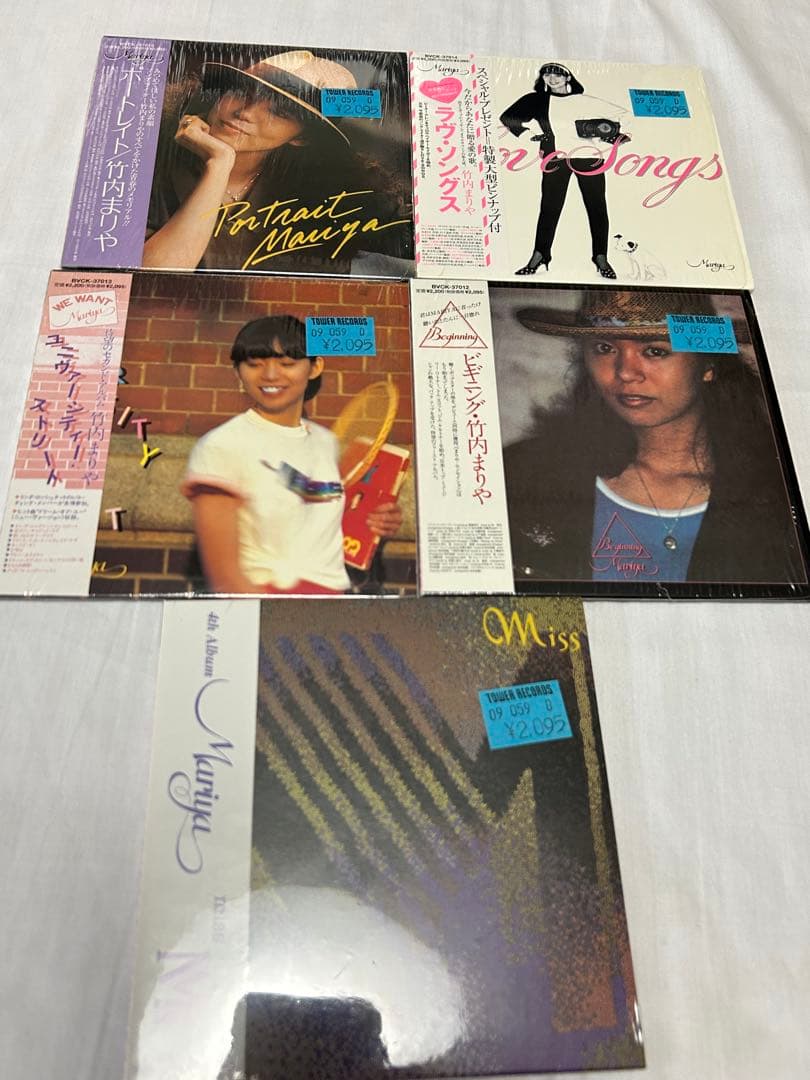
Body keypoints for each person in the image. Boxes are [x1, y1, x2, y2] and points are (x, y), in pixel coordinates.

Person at [502, 290, 805, 586]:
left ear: (708, 364)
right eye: (604, 348)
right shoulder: (526, 475)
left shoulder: (782, 492)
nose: (626, 373)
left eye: (655, 351)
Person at [182, 315, 401, 594]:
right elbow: (226, 579)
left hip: (332, 603)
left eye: (287, 363)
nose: (271, 375)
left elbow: (324, 527)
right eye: (254, 364)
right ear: (238, 371)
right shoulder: (221, 445)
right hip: (267, 602)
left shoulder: (326, 442)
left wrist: (378, 521)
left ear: (315, 367)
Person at [144, 50, 412, 273]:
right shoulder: (151, 157)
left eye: (279, 111)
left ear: (301, 138)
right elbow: (154, 275)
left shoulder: (321, 197)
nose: (246, 112)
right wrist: (218, 166)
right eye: (242, 91)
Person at [500, 62, 629, 279]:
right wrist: (530, 135)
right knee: (549, 207)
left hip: (589, 156)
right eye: (547, 74)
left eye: (558, 74)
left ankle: (601, 257)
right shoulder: (537, 99)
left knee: (597, 207)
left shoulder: (584, 100)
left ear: (568, 77)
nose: (552, 78)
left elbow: (623, 115)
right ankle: (540, 256)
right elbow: (508, 117)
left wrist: (608, 136)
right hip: (555, 157)